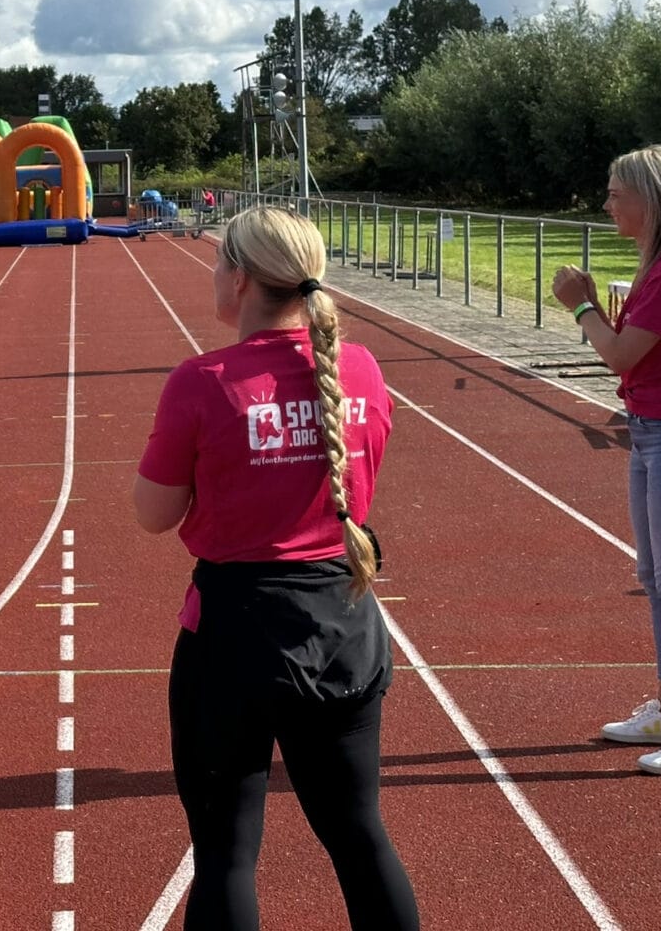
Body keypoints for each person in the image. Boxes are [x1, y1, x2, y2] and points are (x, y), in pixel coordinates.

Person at [134, 205, 417, 930]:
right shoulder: (360, 367)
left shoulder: (203, 381)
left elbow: (153, 512)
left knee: (226, 853)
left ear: (239, 277)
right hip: (342, 619)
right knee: (360, 835)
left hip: (235, 631)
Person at [552, 145, 661, 776]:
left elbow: (621, 354)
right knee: (659, 578)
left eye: (615, 192)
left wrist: (579, 304)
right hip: (657, 429)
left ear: (650, 199)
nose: (607, 203)